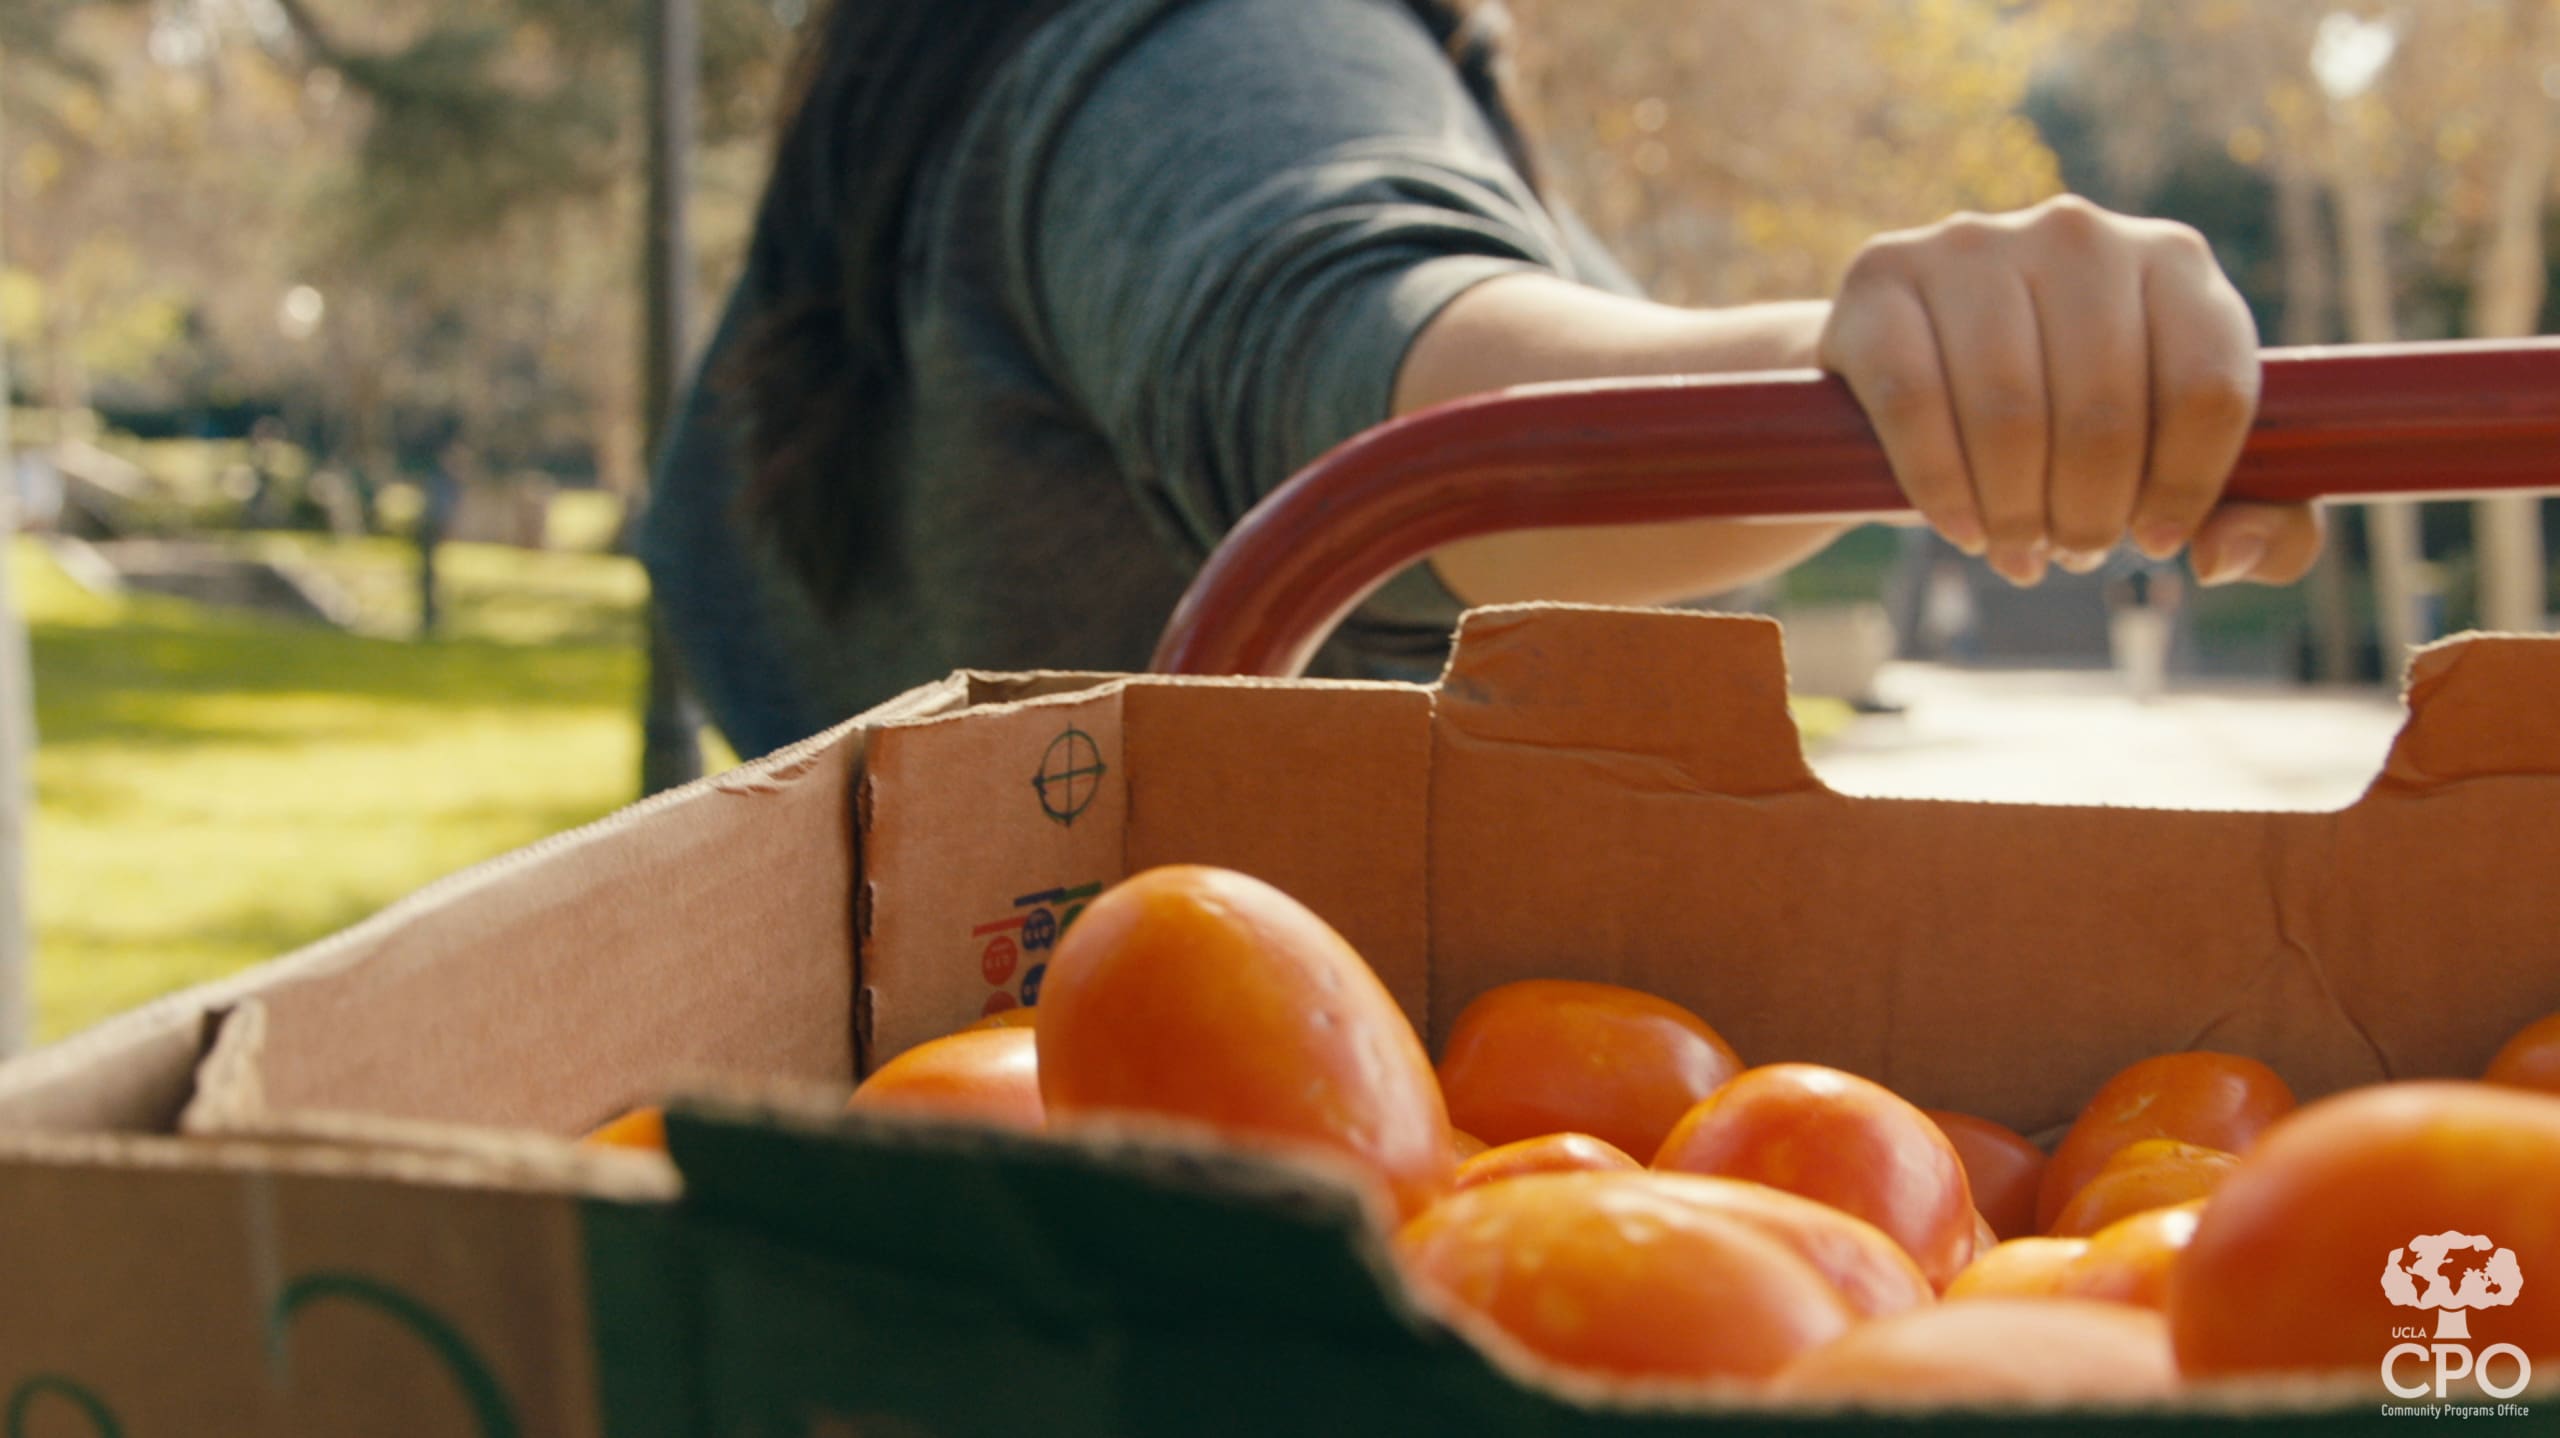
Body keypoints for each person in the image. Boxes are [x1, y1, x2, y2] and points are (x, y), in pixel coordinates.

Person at [640, 0, 2323, 760]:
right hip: (1336, 1240)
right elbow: (1409, 384)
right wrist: (1887, 355)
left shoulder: (916, 102)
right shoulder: (1225, 47)